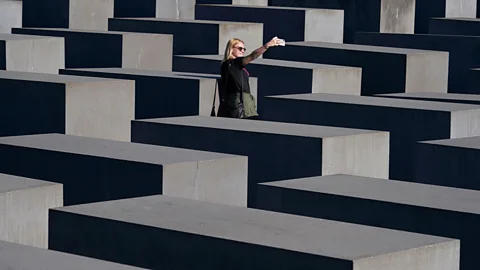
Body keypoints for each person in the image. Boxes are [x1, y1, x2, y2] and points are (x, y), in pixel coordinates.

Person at [218, 37, 284, 119]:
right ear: (231, 49)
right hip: (240, 104)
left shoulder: (227, 65)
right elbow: (253, 56)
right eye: (240, 48)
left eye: (243, 49)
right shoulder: (233, 63)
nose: (242, 51)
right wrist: (267, 46)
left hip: (240, 102)